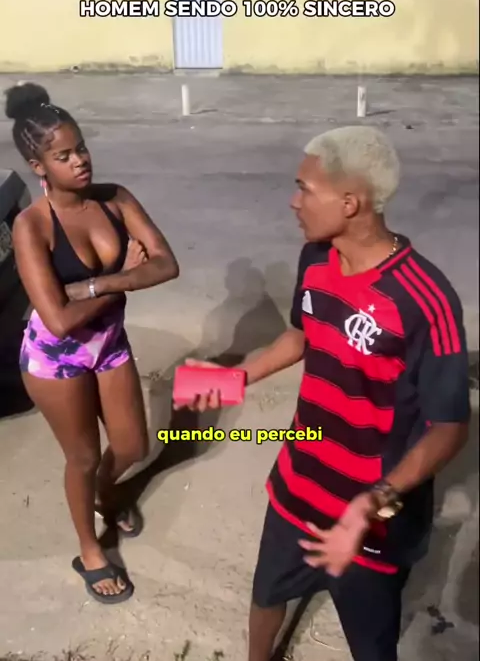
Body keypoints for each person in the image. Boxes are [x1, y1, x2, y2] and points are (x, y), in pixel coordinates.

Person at [178, 125, 470, 661]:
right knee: (267, 593)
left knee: (371, 644)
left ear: (350, 202)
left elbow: (449, 426)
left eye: (304, 188)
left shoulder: (426, 301)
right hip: (298, 482)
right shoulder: (315, 258)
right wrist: (236, 377)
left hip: (369, 515)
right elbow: (301, 333)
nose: (294, 201)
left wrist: (373, 502)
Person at [5, 82, 179, 605]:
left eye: (80, 148)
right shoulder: (32, 226)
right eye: (63, 156)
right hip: (56, 359)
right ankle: (89, 550)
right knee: (81, 457)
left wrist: (93, 287)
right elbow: (58, 321)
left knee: (131, 447)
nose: (79, 161)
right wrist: (121, 279)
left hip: (108, 342)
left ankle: (106, 494)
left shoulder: (115, 198)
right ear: (38, 166)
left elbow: (166, 265)